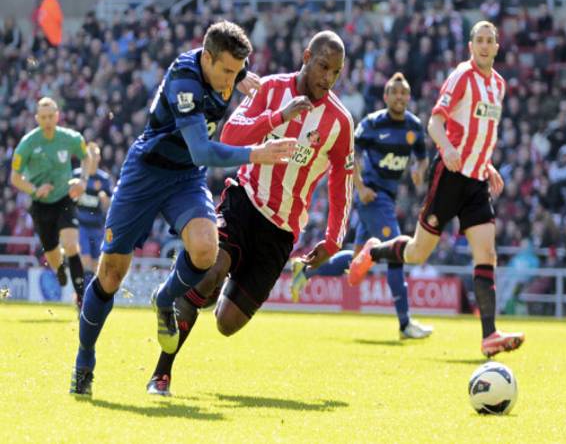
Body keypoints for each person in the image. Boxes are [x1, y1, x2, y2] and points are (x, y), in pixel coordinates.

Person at [69, 20, 296, 396]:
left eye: (237, 71)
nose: (231, 80)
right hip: (147, 172)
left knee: (207, 248)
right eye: (225, 70)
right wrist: (257, 154)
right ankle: (84, 359)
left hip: (185, 178)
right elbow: (203, 150)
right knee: (110, 275)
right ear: (206, 58)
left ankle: (164, 297)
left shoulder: (226, 72)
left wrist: (238, 76)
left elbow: (201, 145)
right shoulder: (184, 81)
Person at [146, 30, 354, 396]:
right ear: (307, 56)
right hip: (244, 200)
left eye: (335, 73)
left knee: (227, 323)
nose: (327, 78)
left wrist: (334, 239)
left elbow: (342, 179)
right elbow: (231, 134)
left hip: (282, 231)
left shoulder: (339, 122)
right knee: (211, 269)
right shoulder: (271, 89)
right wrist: (277, 117)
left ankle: (200, 292)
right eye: (323, 66)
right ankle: (161, 374)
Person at [348, 21, 525, 358]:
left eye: (491, 41)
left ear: (497, 47)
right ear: (471, 45)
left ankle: (489, 335)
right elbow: (434, 121)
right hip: (449, 175)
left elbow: (483, 132)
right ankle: (374, 251)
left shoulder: (498, 85)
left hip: (475, 181)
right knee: (417, 252)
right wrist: (448, 148)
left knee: (486, 254)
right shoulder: (462, 76)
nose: (485, 46)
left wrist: (486, 165)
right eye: (480, 41)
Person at [290, 72, 433, 339]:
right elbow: (350, 154)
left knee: (359, 260)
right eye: (395, 92)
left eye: (404, 93)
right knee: (395, 252)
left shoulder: (413, 127)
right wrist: (360, 186)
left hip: (386, 198)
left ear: (409, 97)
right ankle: (404, 323)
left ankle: (306, 270)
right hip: (372, 197)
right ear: (386, 96)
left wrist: (419, 171)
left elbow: (422, 157)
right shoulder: (372, 124)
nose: (400, 97)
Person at [10, 97, 90, 310]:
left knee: (71, 244)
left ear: (57, 116)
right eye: (42, 117)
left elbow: (86, 155)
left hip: (64, 197)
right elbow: (15, 178)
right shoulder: (28, 143)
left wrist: (83, 180)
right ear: (37, 118)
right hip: (40, 204)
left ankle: (81, 299)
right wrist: (35, 190)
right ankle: (58, 268)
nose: (47, 120)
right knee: (53, 254)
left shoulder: (70, 138)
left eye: (50, 116)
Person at [73, 142, 112, 280]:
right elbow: (69, 198)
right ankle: (82, 295)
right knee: (86, 260)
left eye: (96, 155)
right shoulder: (77, 175)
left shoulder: (104, 179)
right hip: (81, 225)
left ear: (99, 158)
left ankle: (89, 294)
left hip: (97, 226)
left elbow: (109, 205)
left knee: (96, 265)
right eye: (91, 155)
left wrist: (105, 199)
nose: (94, 158)